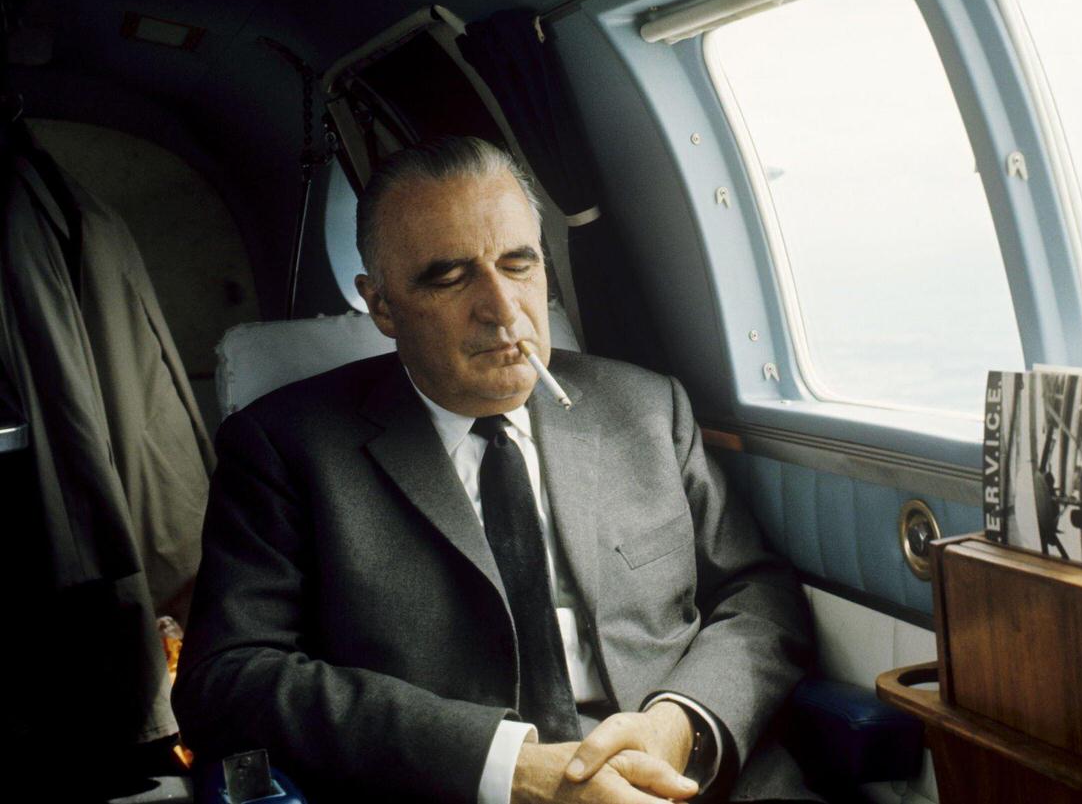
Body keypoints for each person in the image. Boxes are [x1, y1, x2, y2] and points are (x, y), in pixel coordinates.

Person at [172, 136, 817, 803]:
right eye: (451, 277)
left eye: (519, 264)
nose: (504, 310)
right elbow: (227, 679)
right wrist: (507, 768)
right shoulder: (283, 446)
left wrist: (678, 722)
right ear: (383, 304)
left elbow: (756, 593)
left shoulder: (648, 406)